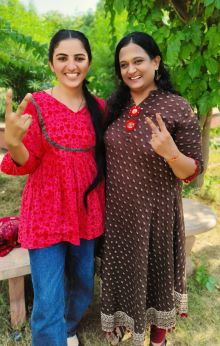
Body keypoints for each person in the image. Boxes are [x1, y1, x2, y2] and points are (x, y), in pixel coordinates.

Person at [1, 29, 105, 346]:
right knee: (48, 297)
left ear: (88, 62)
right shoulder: (37, 104)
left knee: (84, 283)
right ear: (51, 64)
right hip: (45, 215)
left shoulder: (98, 108)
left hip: (87, 212)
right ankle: (52, 335)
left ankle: (69, 327)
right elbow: (26, 162)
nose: (71, 65)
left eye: (78, 57)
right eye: (62, 58)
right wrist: (14, 142)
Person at [100, 32, 203, 346]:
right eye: (124, 64)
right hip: (118, 213)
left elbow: (192, 171)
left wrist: (171, 151)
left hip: (155, 212)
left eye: (138, 61)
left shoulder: (176, 107)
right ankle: (123, 324)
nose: (131, 69)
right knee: (123, 271)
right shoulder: (116, 105)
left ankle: (156, 337)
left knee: (155, 275)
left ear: (156, 61)